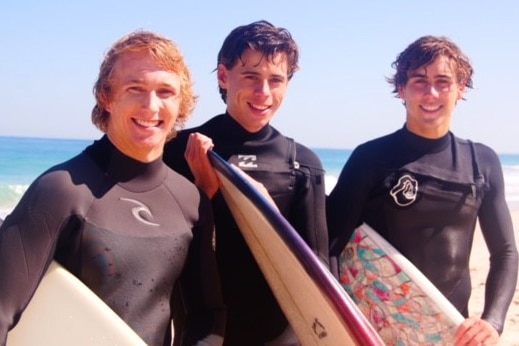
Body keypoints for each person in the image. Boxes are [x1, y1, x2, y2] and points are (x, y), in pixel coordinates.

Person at [0, 31, 226, 346]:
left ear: (181, 103)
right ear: (107, 97)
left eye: (165, 91)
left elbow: (207, 316)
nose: (151, 106)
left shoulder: (190, 201)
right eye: (135, 88)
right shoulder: (60, 191)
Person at [327, 35, 518, 345]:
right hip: (374, 330)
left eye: (443, 82)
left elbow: (506, 252)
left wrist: (492, 321)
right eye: (419, 81)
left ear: (461, 89)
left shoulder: (481, 162)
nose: (431, 93)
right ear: (401, 89)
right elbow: (330, 246)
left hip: (449, 332)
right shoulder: (371, 158)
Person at [163, 20, 328, 345]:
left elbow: (320, 269)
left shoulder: (302, 164)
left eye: (276, 80)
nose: (263, 92)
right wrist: (202, 193)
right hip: (204, 336)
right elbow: (161, 254)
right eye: (251, 76)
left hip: (282, 337)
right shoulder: (178, 151)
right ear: (224, 76)